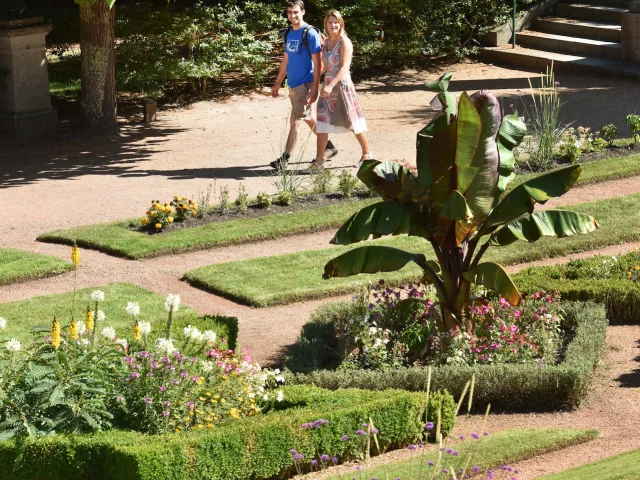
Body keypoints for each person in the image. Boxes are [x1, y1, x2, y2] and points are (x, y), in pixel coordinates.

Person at [270, 0, 338, 171]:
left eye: (295, 12)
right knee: (305, 116)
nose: (292, 16)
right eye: (289, 13)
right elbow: (286, 59)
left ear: (303, 12)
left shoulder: (310, 33)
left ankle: (284, 159)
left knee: (295, 121)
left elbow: (318, 63)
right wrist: (278, 82)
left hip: (305, 84)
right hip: (292, 84)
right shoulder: (288, 33)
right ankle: (329, 147)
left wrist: (315, 88)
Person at [309, 9, 372, 171]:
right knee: (322, 124)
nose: (333, 25)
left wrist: (331, 85)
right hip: (327, 89)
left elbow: (344, 67)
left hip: (342, 88)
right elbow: (323, 65)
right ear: (325, 24)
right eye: (329, 22)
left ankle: (367, 154)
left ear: (341, 23)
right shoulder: (326, 42)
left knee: (353, 122)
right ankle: (319, 161)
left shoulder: (345, 41)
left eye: (336, 22)